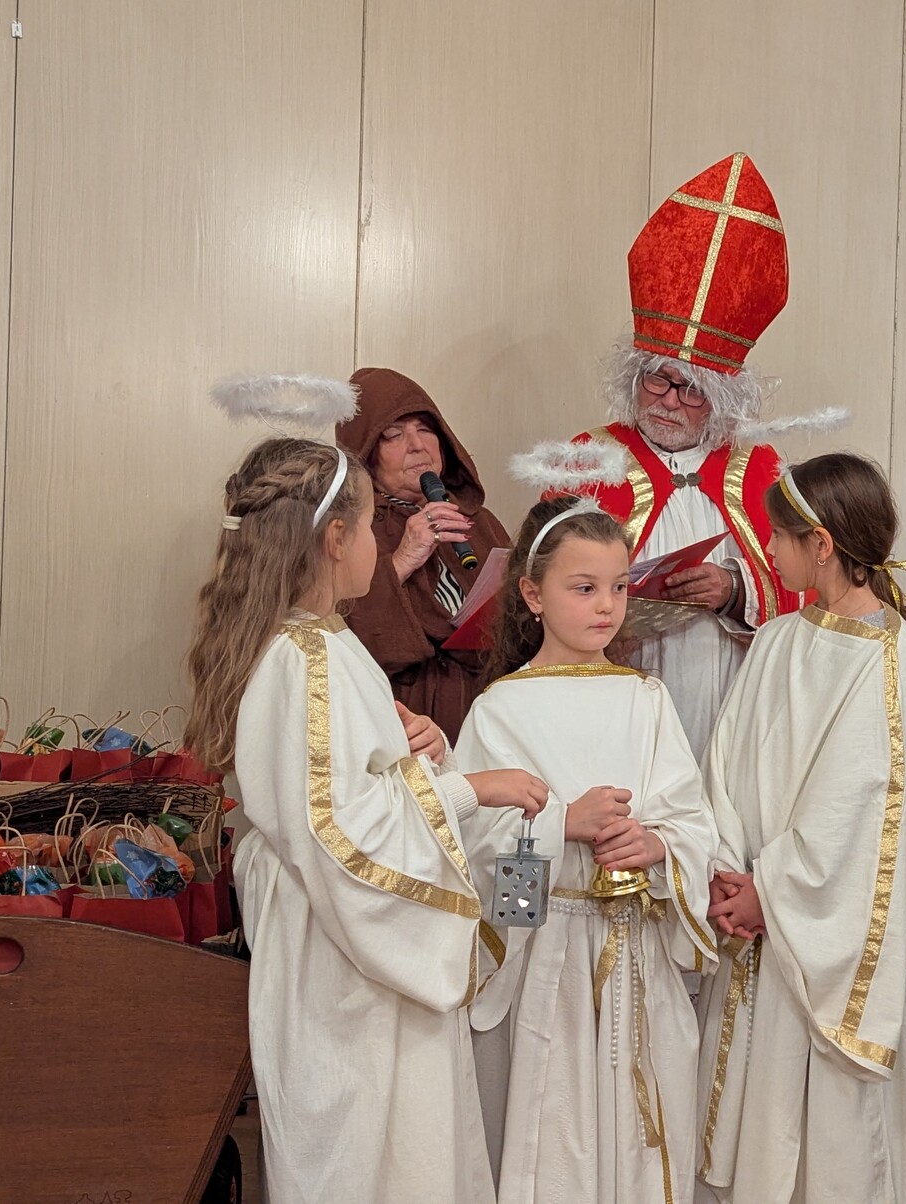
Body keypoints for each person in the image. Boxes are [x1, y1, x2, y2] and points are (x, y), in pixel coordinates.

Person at [182, 436, 544, 1204]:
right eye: (374, 521)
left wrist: (419, 746)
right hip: (348, 957)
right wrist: (471, 789)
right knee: (371, 1163)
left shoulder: (321, 642)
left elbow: (348, 781)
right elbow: (342, 832)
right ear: (337, 538)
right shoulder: (308, 657)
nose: (383, 540)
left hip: (345, 940)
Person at [695, 452, 906, 1204]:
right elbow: (726, 763)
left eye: (778, 536)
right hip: (756, 922)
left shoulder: (892, 658)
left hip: (808, 933)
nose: (768, 550)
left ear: (822, 544)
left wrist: (770, 892)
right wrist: (726, 868)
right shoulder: (776, 639)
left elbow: (868, 820)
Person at [456, 495, 719, 1204]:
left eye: (619, 587)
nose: (607, 605)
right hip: (546, 960)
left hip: (637, 951)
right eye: (584, 588)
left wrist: (655, 844)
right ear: (532, 594)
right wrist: (559, 825)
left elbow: (693, 821)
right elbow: (474, 856)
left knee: (643, 1134)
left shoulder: (647, 699)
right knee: (555, 1134)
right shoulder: (501, 709)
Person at [562, 152, 799, 758]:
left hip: (733, 694)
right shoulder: (590, 458)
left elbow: (808, 584)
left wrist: (734, 588)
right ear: (634, 376)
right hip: (622, 687)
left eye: (691, 388)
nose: (669, 401)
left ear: (720, 399)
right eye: (658, 380)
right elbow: (542, 582)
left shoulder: (759, 467)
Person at [337, 367, 512, 741]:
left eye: (426, 429)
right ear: (365, 454)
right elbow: (336, 635)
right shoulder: (348, 530)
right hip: (400, 717)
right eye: (393, 435)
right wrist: (402, 559)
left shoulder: (481, 522)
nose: (417, 445)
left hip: (487, 708)